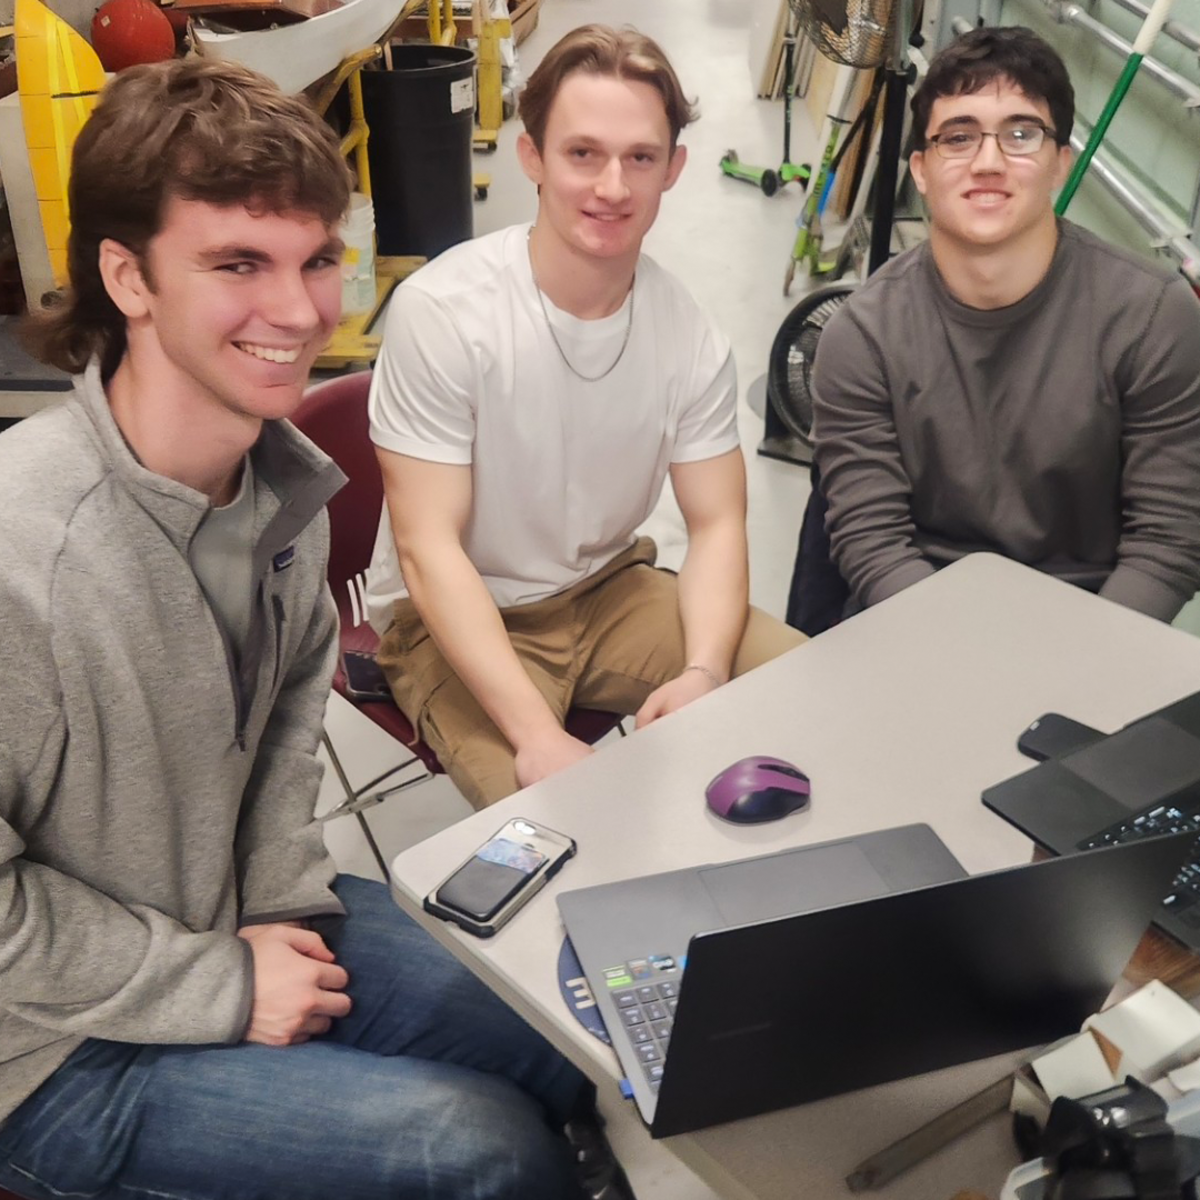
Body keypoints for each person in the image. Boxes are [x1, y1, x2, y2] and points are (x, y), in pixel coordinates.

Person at [0, 58, 623, 1200]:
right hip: (44, 1056)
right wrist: (219, 990)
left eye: (318, 259)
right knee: (478, 1151)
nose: (299, 312)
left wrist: (277, 921)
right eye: (238, 264)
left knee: (560, 1025)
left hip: (224, 917)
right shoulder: (21, 559)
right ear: (127, 277)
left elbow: (279, 758)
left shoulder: (278, 494)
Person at [366, 24, 805, 810]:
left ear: (674, 169)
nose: (612, 186)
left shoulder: (689, 334)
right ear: (531, 157)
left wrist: (704, 670)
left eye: (641, 157)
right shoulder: (443, 313)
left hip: (608, 591)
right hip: (461, 614)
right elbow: (427, 548)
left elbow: (716, 526)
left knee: (807, 687)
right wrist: (536, 735)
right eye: (583, 153)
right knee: (566, 836)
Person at [810, 25, 1200, 621]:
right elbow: (874, 542)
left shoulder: (1152, 318)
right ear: (920, 169)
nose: (988, 162)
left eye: (1021, 134)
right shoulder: (862, 337)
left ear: (1060, 164)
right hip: (919, 619)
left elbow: (1168, 540)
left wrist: (1080, 668)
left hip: (1098, 621)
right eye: (958, 137)